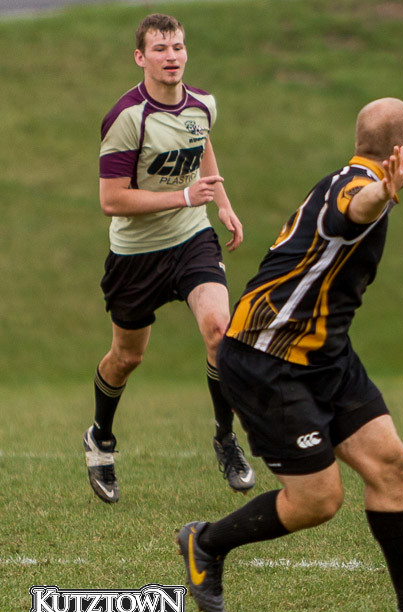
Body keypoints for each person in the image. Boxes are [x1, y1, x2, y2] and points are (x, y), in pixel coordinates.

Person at [176, 98, 403, 612]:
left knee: (389, 462)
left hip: (323, 353)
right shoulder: (357, 188)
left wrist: (382, 191)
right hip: (265, 356)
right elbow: (353, 208)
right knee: (318, 499)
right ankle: (207, 541)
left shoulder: (346, 176)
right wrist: (384, 191)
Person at [83, 14, 255, 504]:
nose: (172, 56)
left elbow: (200, 143)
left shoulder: (203, 105)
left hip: (191, 241)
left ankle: (225, 438)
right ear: (141, 58)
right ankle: (101, 438)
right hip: (135, 256)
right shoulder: (126, 119)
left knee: (221, 331)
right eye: (160, 49)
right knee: (126, 358)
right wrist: (184, 196)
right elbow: (112, 201)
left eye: (177, 46)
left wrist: (220, 202)